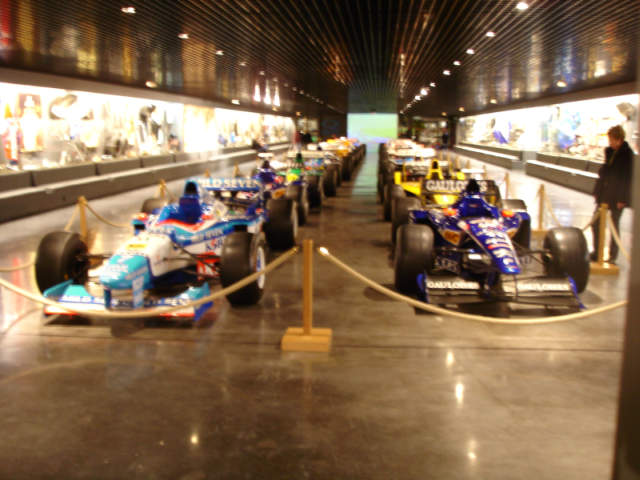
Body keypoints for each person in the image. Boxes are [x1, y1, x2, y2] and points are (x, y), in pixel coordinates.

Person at [591, 125, 634, 263]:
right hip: (604, 194)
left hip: (617, 197)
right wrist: (597, 191)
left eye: (612, 140)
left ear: (619, 139)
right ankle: (597, 252)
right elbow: (604, 173)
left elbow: (627, 179)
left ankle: (612, 256)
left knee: (614, 226)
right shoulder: (609, 151)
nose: (610, 142)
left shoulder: (628, 155)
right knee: (595, 223)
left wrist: (622, 199)